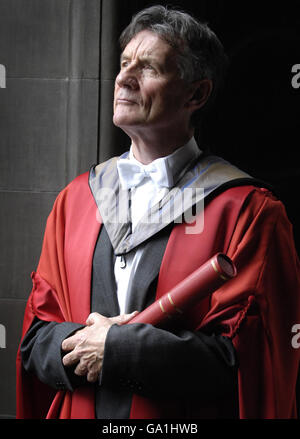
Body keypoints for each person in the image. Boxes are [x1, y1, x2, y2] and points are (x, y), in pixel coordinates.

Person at [16, 5, 300, 419]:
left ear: (196, 95)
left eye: (147, 68)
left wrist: (119, 350)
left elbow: (248, 359)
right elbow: (36, 336)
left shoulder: (247, 212)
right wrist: (85, 344)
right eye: (124, 63)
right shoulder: (75, 201)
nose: (124, 78)